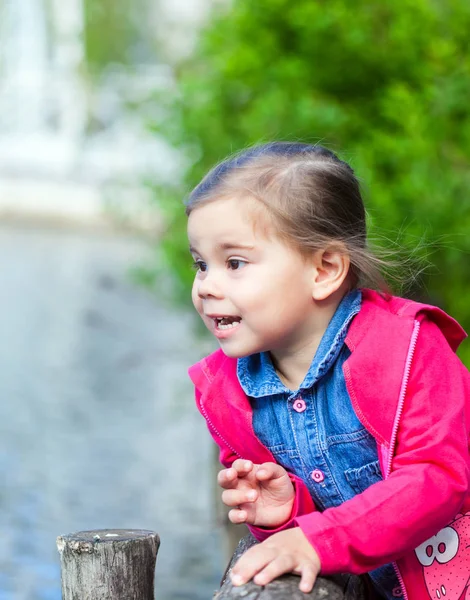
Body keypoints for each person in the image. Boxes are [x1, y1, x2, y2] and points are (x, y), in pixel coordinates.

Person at [185, 142, 470, 599]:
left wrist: (319, 540)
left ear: (324, 269)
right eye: (201, 264)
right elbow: (313, 521)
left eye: (234, 263)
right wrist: (284, 511)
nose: (206, 287)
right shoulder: (228, 394)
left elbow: (438, 478)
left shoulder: (410, 349)